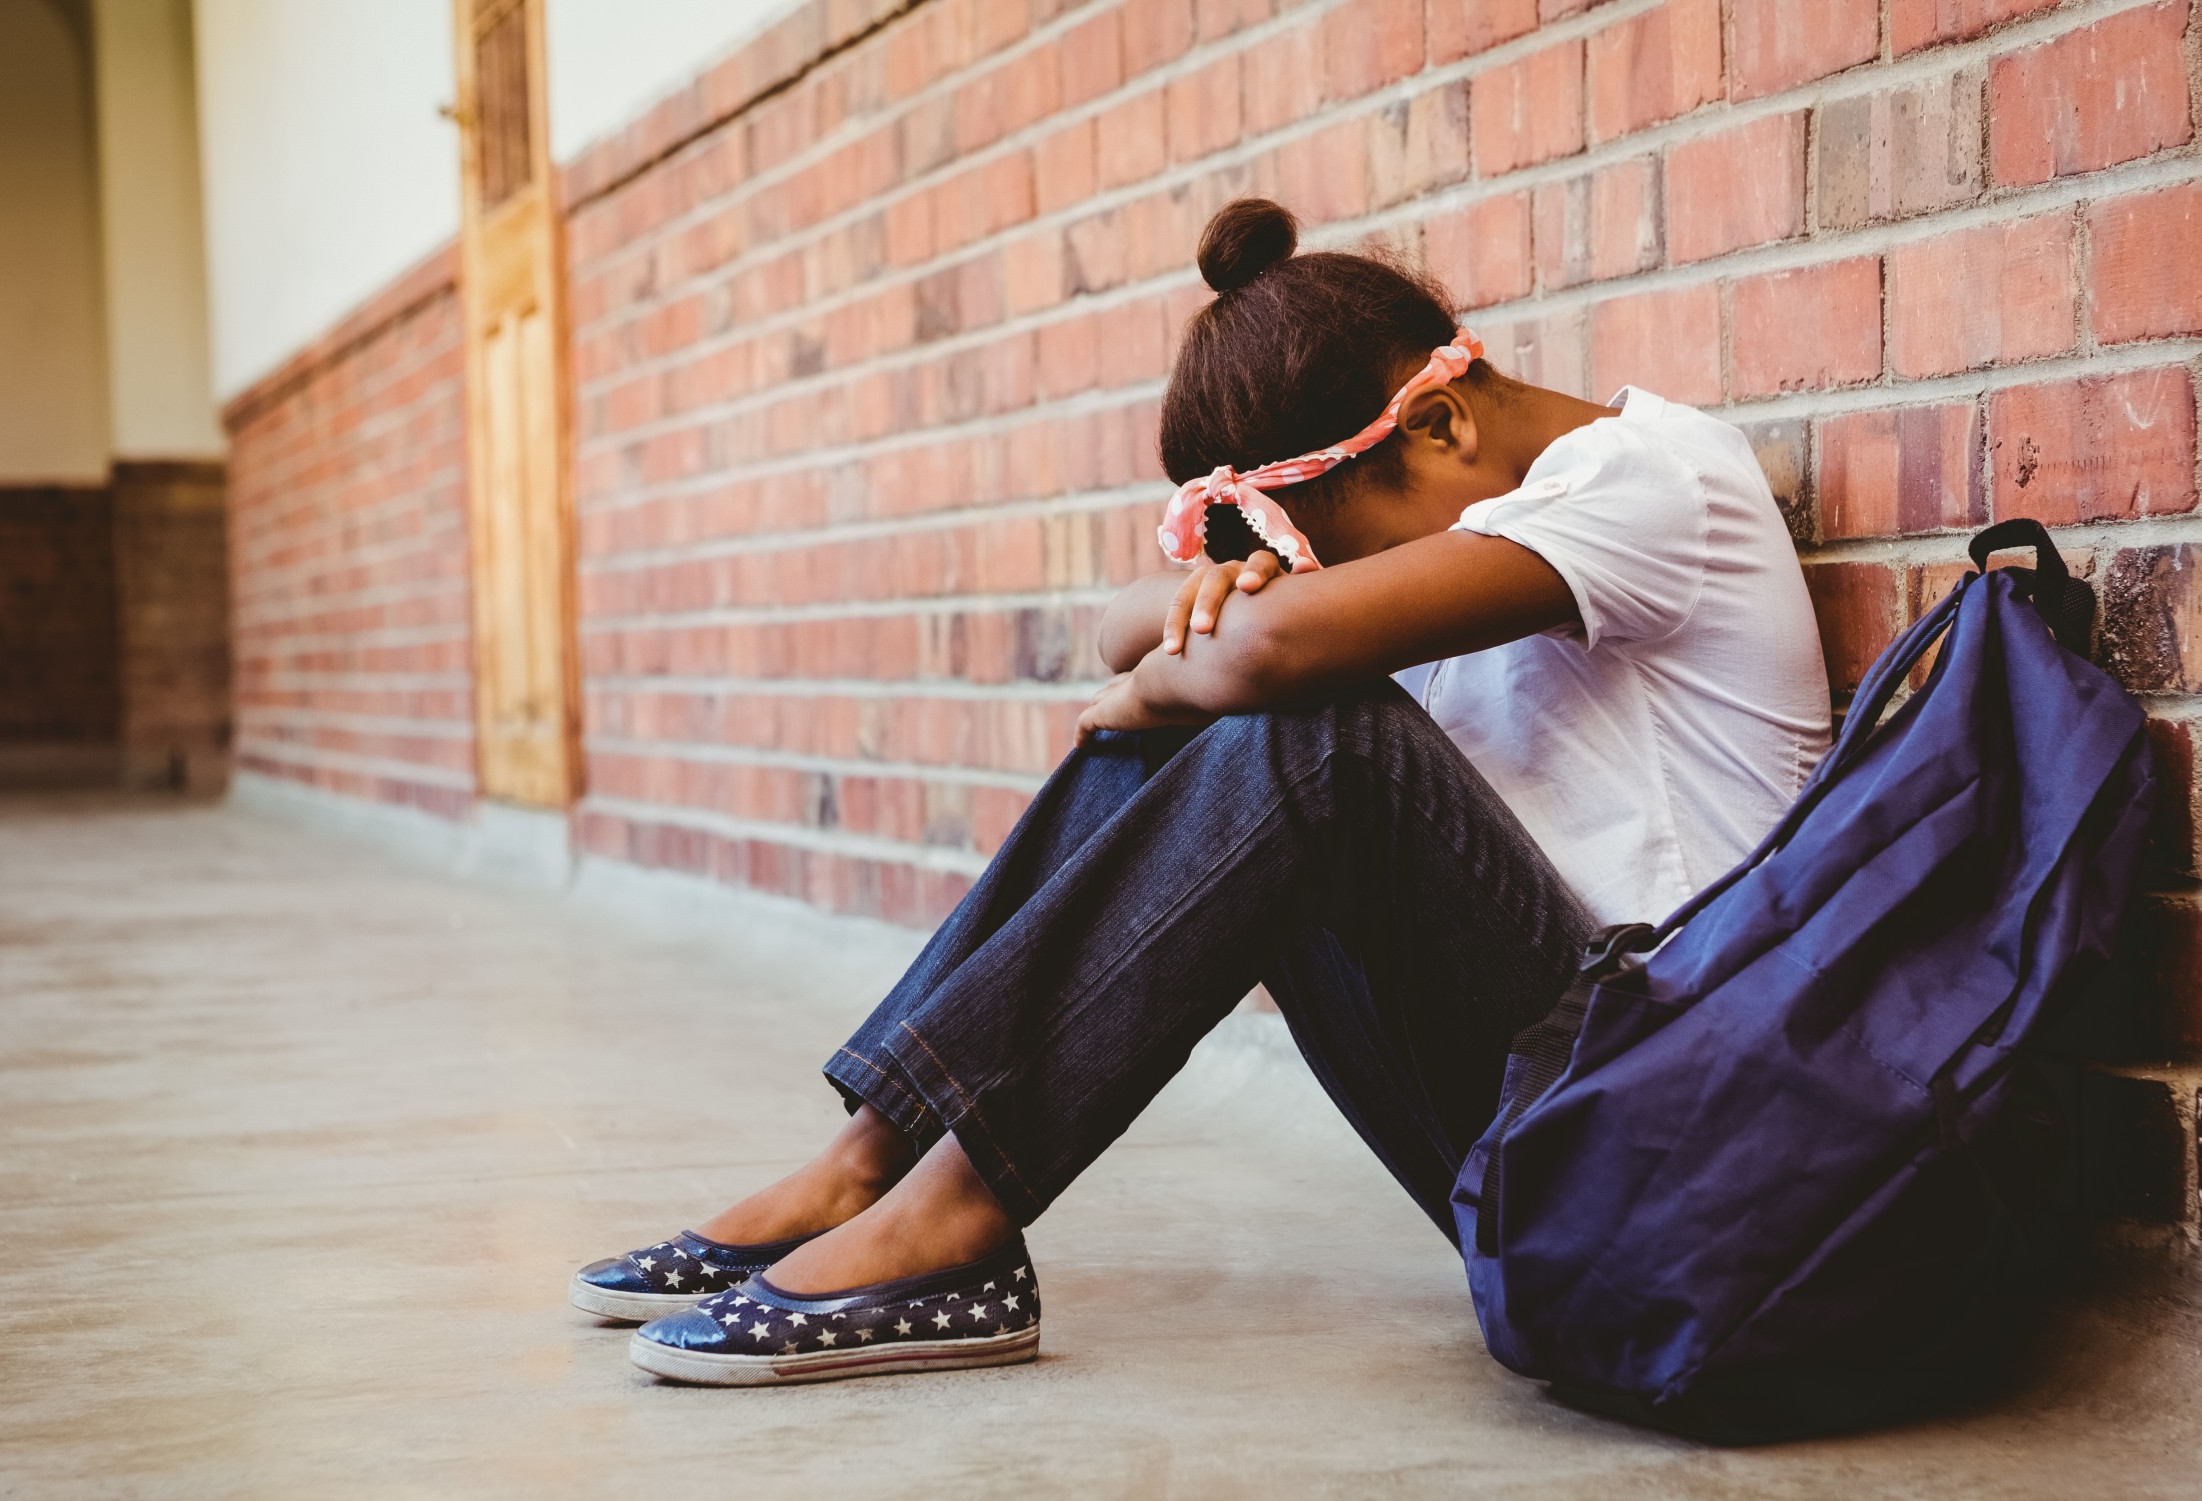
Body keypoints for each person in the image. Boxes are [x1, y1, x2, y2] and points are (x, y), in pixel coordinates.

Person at [572, 198, 1833, 1387]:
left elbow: (1271, 652)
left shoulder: (1650, 477)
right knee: (1235, 713)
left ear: (1439, 428)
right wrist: (1167, 660)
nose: (1335, 587)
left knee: (1312, 724)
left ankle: (952, 1215)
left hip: (1689, 1147)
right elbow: (1144, 629)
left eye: (1347, 556)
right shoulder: (1491, 525)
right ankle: (875, 1160)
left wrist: (1167, 678)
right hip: (1539, 1141)